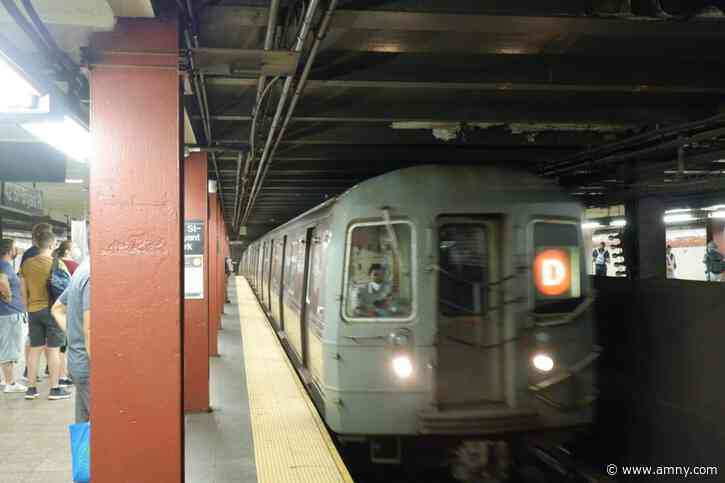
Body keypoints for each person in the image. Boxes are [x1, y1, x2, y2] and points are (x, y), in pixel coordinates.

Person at [20, 230, 71, 400]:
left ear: (36, 243)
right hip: (51, 311)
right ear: (51, 245)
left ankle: (31, 389)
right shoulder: (58, 264)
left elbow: (23, 291)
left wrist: (28, 308)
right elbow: (67, 290)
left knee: (35, 350)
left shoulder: (26, 264)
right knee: (54, 350)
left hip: (33, 311)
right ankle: (55, 389)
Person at [52, 259, 91, 422]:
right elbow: (90, 330)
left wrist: (73, 334)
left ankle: (83, 450)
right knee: (106, 429)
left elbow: (57, 309)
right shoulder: (94, 277)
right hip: (90, 367)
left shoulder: (83, 269)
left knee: (85, 428)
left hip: (78, 362)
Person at [0, 239, 28, 394]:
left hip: (5, 314)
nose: (17, 250)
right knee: (9, 348)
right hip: (9, 314)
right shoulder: (4, 265)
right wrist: (8, 295)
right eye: (15, 247)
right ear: (9, 251)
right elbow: (2, 282)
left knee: (5, 346)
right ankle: (9, 383)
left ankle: (6, 378)